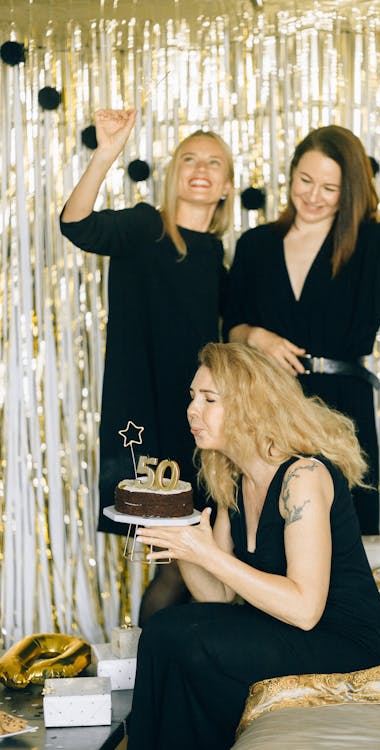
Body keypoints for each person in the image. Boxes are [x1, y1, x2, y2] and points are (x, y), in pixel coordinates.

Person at [127, 342, 380, 750]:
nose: (192, 410)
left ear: (249, 407)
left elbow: (305, 610)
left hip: (345, 641)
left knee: (184, 641)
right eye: (192, 397)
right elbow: (217, 595)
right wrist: (181, 542)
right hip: (287, 631)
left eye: (209, 399)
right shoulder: (231, 477)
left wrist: (209, 554)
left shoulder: (303, 475)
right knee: (164, 628)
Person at [60, 109, 234, 622]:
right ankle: (150, 680)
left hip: (200, 426)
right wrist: (106, 152)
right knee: (176, 564)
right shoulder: (145, 225)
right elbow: (76, 225)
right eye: (189, 159)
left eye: (214, 162)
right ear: (173, 173)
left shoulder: (218, 254)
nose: (200, 168)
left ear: (226, 186)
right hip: (146, 421)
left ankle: (160, 677)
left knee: (189, 563)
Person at [223, 122, 380, 535]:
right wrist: (254, 336)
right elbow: (230, 328)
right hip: (269, 403)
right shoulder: (255, 244)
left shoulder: (367, 242)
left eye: (329, 188)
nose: (313, 196)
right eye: (305, 180)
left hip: (341, 410)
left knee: (342, 530)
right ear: (293, 172)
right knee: (267, 530)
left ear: (348, 191)